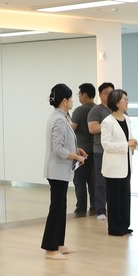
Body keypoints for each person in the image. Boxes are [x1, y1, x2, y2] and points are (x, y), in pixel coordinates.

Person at [42, 84, 87, 260]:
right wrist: (76, 157)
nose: (73, 101)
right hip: (57, 171)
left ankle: (59, 244)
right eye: (71, 98)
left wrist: (77, 150)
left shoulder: (61, 117)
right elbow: (58, 149)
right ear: (64, 101)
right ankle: (50, 249)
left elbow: (64, 143)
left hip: (60, 171)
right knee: (56, 209)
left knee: (61, 208)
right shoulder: (59, 120)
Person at [101, 89, 137, 236]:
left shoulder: (127, 119)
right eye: (125, 99)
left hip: (126, 165)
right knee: (114, 199)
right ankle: (115, 228)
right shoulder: (107, 122)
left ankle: (124, 225)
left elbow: (129, 139)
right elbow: (106, 145)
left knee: (125, 197)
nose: (127, 102)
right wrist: (126, 145)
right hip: (113, 167)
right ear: (116, 103)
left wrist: (133, 144)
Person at [87, 82, 115, 220]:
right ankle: (100, 210)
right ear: (100, 95)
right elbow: (92, 128)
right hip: (101, 151)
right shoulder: (96, 110)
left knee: (115, 181)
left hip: (116, 151)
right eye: (106, 93)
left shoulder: (118, 109)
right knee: (101, 181)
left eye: (111, 92)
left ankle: (113, 208)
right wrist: (109, 125)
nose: (109, 95)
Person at [70, 83, 96, 214]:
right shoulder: (98, 109)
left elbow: (71, 130)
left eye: (79, 94)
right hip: (96, 151)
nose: (79, 96)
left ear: (85, 95)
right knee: (93, 182)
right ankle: (95, 208)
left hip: (82, 152)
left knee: (79, 181)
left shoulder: (80, 110)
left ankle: (81, 209)